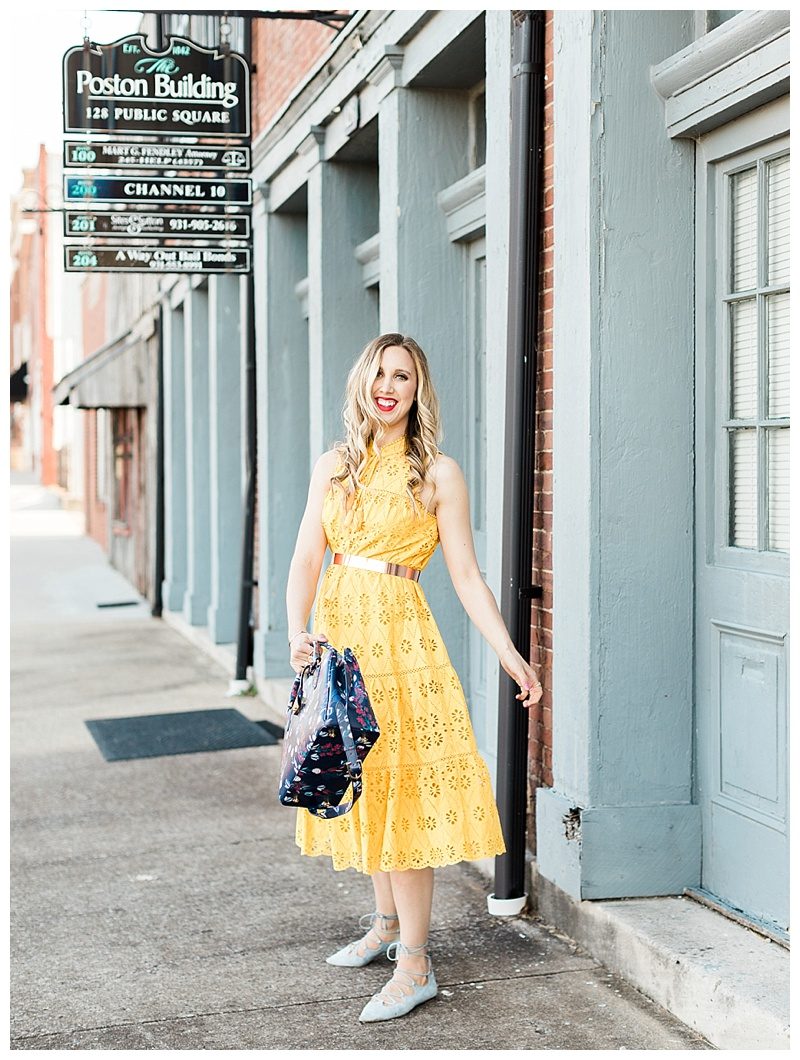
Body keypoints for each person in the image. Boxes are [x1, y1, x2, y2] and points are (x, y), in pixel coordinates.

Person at [285, 333, 543, 1023]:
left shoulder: (437, 474)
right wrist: (294, 632)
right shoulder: (334, 466)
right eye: (378, 374)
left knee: (404, 793)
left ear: (416, 389)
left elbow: (465, 574)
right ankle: (387, 924)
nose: (388, 386)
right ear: (361, 385)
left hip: (403, 649)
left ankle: (417, 964)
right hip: (340, 644)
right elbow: (308, 554)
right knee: (366, 784)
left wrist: (509, 653)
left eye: (402, 376)